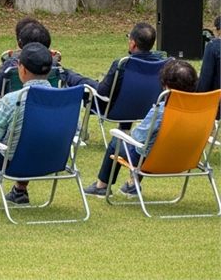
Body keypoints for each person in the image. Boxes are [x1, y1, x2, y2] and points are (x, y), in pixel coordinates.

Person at [84, 60, 198, 197]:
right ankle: (131, 185)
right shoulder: (199, 110)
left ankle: (101, 186)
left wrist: (126, 133)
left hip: (152, 161)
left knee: (118, 140)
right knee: (148, 145)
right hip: (186, 158)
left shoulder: (161, 110)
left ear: (165, 85)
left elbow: (138, 137)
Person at [0, 43, 54, 208]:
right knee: (33, 139)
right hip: (53, 159)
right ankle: (20, 190)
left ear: (21, 69)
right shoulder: (64, 98)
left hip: (13, 162)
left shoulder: (12, 99)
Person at [93, 22, 165, 125]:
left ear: (133, 44)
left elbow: (102, 92)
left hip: (116, 111)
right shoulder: (163, 64)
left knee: (85, 86)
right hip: (151, 110)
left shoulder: (122, 64)